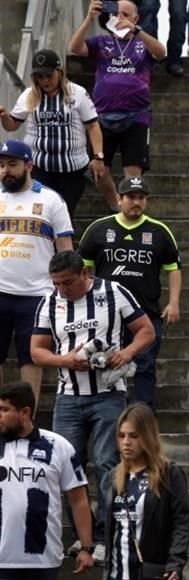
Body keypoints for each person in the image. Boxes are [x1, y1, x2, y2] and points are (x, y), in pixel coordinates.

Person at [31, 250, 156, 560]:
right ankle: (81, 538)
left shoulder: (113, 292)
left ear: (85, 274)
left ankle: (104, 536)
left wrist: (126, 354)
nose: (63, 289)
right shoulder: (49, 302)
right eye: (57, 283)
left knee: (106, 463)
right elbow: (36, 351)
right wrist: (66, 361)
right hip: (68, 396)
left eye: (68, 283)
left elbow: (146, 331)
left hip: (108, 392)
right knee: (66, 468)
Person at [0, 381, 95, 580]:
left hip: (41, 560)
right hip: (0, 560)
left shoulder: (58, 445)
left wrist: (86, 547)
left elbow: (79, 499)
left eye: (4, 409)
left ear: (25, 412)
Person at [79, 176, 182, 410]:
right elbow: (83, 267)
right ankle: (109, 412)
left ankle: (143, 415)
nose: (136, 202)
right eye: (131, 197)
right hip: (107, 312)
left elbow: (173, 269)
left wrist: (174, 302)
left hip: (146, 312)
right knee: (106, 362)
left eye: (141, 198)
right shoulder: (98, 229)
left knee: (145, 365)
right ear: (119, 199)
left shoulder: (159, 231)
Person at [99, 403, 189, 580]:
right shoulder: (112, 477)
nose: (126, 442)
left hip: (156, 577)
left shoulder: (169, 473)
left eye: (133, 436)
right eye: (121, 436)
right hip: (117, 579)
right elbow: (106, 522)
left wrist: (176, 562)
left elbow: (182, 521)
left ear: (148, 437)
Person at [68, 0, 166, 208]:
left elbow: (161, 52)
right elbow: (74, 47)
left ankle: (133, 206)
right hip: (103, 115)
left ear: (135, 18)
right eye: (116, 14)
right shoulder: (102, 42)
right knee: (99, 168)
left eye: (125, 14)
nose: (119, 18)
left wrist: (137, 30)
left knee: (133, 171)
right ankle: (118, 206)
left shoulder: (142, 42)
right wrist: (89, 19)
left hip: (136, 115)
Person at [0, 139, 74, 401]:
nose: (5, 170)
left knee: (31, 358)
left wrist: (66, 288)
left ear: (29, 165)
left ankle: (24, 419)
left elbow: (65, 249)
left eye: (12, 164)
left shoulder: (51, 200)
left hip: (37, 295)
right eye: (1, 165)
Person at [0, 49, 105, 217]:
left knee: (64, 213)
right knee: (40, 213)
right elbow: (12, 125)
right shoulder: (29, 95)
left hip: (73, 168)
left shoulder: (77, 93)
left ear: (59, 72)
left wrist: (98, 157)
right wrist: (5, 117)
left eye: (49, 75)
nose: (45, 80)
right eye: (40, 77)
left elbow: (93, 126)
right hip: (40, 167)